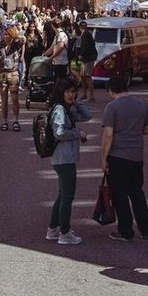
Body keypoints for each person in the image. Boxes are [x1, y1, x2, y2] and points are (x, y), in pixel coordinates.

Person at [100, 70, 148, 241]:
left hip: (118, 155)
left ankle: (125, 230)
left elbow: (108, 135)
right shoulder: (141, 104)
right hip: (136, 154)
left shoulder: (112, 107)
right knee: (137, 192)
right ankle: (146, 229)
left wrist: (103, 158)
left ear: (111, 90)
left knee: (120, 194)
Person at [45, 78, 92, 246]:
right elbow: (59, 132)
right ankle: (64, 233)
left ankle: (53, 229)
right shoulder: (60, 109)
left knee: (62, 195)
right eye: (68, 92)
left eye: (73, 91)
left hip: (63, 157)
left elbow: (87, 115)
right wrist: (77, 133)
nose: (71, 94)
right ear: (61, 92)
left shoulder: (65, 108)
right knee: (67, 197)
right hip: (64, 158)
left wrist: (75, 101)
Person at [0, 30, 24, 131]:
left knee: (14, 99)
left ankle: (16, 120)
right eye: (4, 34)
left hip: (13, 73)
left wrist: (15, 36)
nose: (5, 36)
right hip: (2, 73)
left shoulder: (16, 44)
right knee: (4, 100)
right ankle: (4, 121)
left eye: (8, 35)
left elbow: (24, 39)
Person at [76, 21, 98, 102]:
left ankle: (91, 96)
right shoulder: (86, 34)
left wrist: (81, 54)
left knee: (87, 76)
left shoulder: (85, 34)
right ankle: (84, 94)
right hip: (87, 58)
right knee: (83, 76)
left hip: (88, 58)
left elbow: (86, 46)